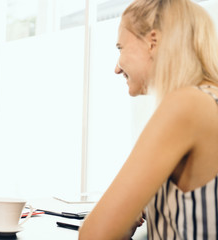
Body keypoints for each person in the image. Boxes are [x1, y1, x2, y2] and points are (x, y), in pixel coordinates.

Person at [79, 0, 218, 239]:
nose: (116, 67)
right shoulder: (209, 100)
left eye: (120, 48)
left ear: (153, 41)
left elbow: (93, 235)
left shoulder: (188, 104)